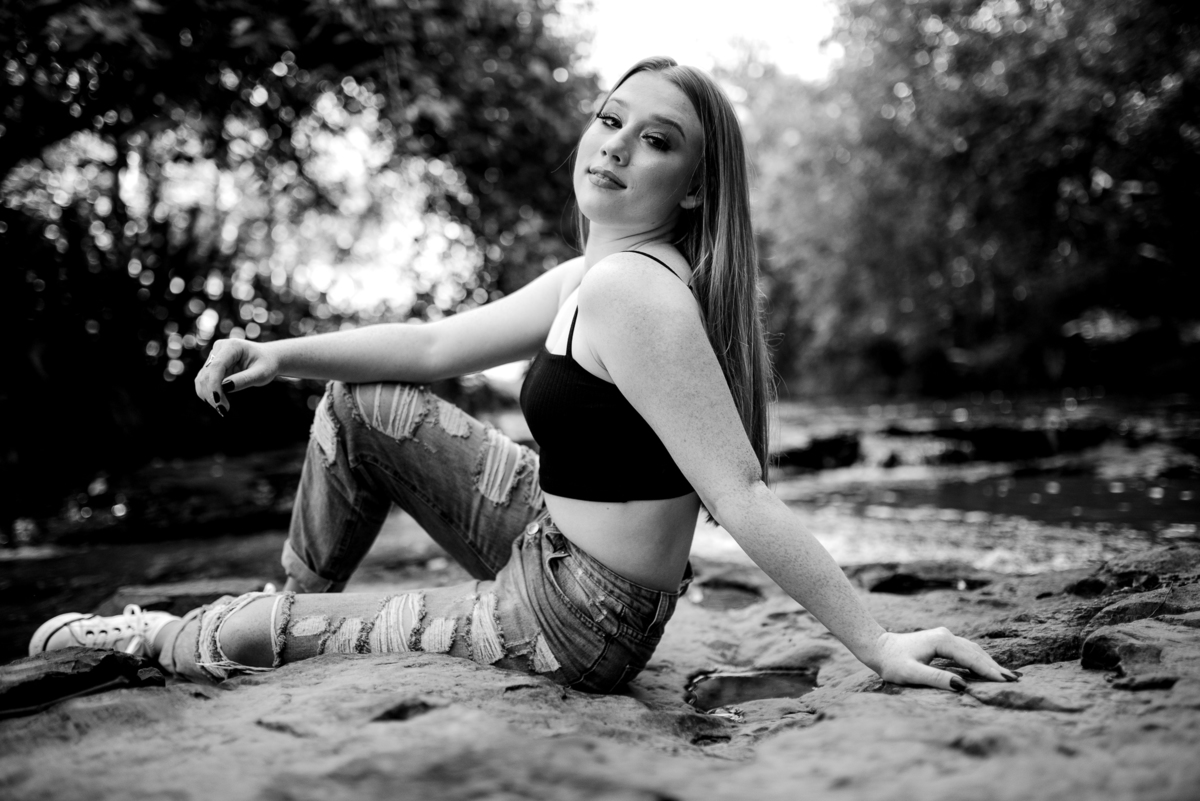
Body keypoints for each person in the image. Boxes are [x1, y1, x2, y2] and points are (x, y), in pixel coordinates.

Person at [30, 57, 1018, 694]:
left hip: (576, 616)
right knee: (361, 404)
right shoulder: (593, 273)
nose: (617, 145)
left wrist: (877, 643)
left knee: (242, 634)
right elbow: (432, 347)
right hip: (545, 535)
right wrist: (281, 355)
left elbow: (743, 493)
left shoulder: (634, 292)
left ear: (694, 187)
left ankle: (170, 636)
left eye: (657, 141)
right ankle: (299, 596)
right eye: (611, 120)